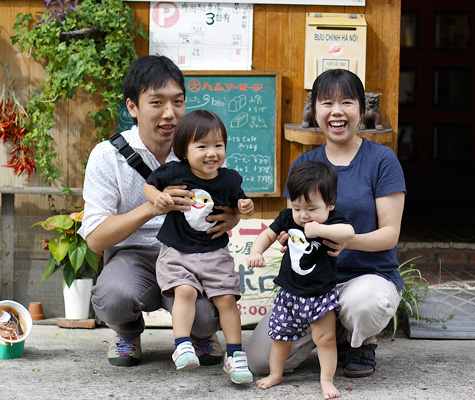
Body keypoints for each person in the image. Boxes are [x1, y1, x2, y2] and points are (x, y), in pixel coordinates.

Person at [79, 55, 241, 367]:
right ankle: (127, 332)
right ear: (132, 107)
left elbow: (229, 200)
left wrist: (233, 214)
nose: (170, 113)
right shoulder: (107, 156)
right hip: (132, 255)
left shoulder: (205, 149)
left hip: (192, 256)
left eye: (178, 101)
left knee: (209, 316)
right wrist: (151, 208)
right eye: (156, 102)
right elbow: (96, 240)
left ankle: (201, 335)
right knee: (113, 298)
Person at [247, 69, 406, 379]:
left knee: (364, 303)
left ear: (361, 110)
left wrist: (345, 240)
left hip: (364, 277)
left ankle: (359, 340)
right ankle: (330, 332)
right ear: (315, 111)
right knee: (260, 362)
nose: (337, 111)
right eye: (326, 102)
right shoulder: (304, 165)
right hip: (310, 288)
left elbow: (389, 235)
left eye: (347, 102)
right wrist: (282, 240)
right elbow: (290, 221)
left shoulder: (381, 160)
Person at [143, 109, 254, 383]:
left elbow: (239, 202)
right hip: (177, 252)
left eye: (218, 145)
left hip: (215, 253)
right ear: (184, 150)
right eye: (202, 146)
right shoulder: (174, 172)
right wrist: (156, 197)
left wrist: (244, 206)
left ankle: (235, 355)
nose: (211, 153)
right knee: (184, 292)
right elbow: (149, 185)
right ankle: (182, 345)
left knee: (227, 299)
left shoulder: (229, 179)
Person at [248, 160, 354, 399]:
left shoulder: (333, 221)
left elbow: (348, 233)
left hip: (320, 295)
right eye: (297, 208)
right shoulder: (287, 218)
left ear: (330, 204)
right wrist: (256, 252)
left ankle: (326, 380)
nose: (303, 215)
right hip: (289, 294)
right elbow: (267, 234)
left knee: (325, 339)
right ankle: (276, 374)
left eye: (311, 209)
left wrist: (321, 230)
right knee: (280, 338)